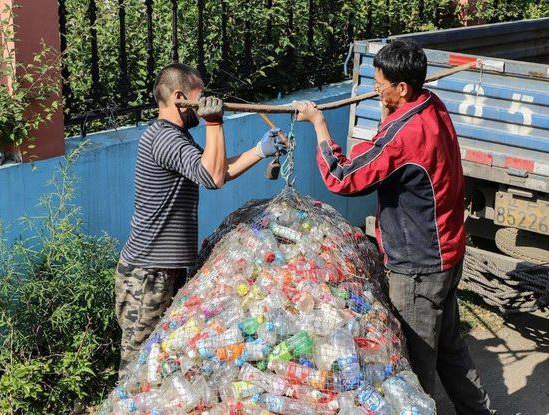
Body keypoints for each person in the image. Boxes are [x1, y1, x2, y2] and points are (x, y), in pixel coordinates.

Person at [292, 40, 495, 414]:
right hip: (446, 253)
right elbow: (386, 142)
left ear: (403, 88)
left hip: (419, 266)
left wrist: (319, 125)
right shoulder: (431, 104)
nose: (374, 88)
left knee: (414, 368)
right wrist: (387, 105)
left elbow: (343, 177)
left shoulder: (405, 136)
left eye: (380, 82)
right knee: (450, 348)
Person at [115, 63, 286, 377]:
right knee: (137, 365)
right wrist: (214, 124)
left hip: (166, 269)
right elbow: (212, 176)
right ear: (181, 97)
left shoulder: (174, 136)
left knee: (164, 359)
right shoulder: (163, 139)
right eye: (201, 94)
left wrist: (258, 151)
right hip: (148, 274)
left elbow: (214, 169)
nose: (207, 99)